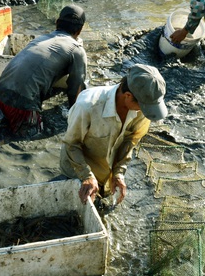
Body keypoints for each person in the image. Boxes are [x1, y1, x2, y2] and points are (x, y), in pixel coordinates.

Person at [60, 64, 167, 205]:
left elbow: (130, 141)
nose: (145, 111)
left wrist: (118, 173)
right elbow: (71, 144)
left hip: (105, 170)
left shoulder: (142, 111)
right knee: (72, 206)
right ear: (128, 96)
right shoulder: (88, 106)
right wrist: (86, 176)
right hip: (77, 168)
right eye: (144, 106)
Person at [0, 4, 88, 136]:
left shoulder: (41, 39)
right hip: (21, 105)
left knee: (7, 127)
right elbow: (76, 92)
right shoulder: (76, 50)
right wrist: (77, 120)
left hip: (0, 94)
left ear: (57, 23)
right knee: (33, 136)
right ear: (80, 30)